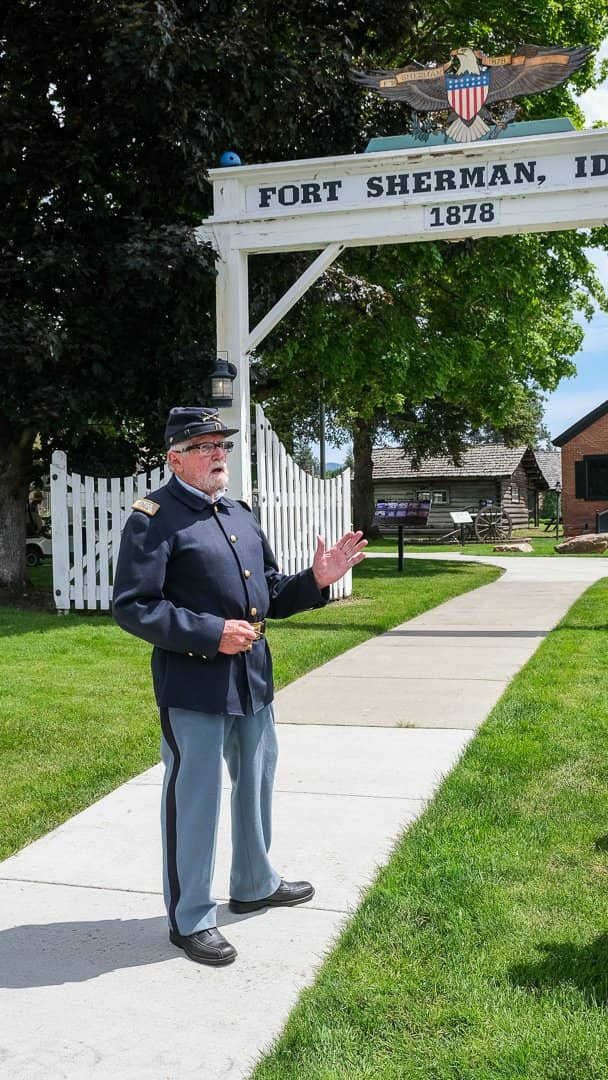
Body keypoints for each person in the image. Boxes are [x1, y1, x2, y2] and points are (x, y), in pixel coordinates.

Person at [112, 406, 366, 966]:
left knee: (256, 784)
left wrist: (316, 580)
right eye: (204, 447)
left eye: (221, 446)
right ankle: (190, 918)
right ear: (175, 457)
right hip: (194, 682)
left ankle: (255, 882)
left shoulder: (240, 513)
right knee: (194, 799)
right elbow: (134, 607)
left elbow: (269, 592)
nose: (218, 455)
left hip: (252, 677)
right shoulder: (153, 518)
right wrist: (210, 632)